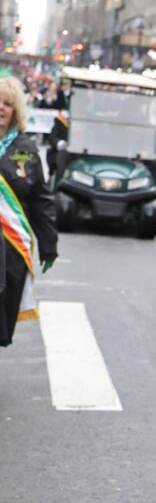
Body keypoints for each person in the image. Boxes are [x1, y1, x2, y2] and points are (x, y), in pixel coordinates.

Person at [0, 77, 57, 348]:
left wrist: (49, 244)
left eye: (8, 104)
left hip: (10, 247)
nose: (1, 108)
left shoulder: (25, 148)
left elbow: (39, 199)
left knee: (3, 312)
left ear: (16, 111)